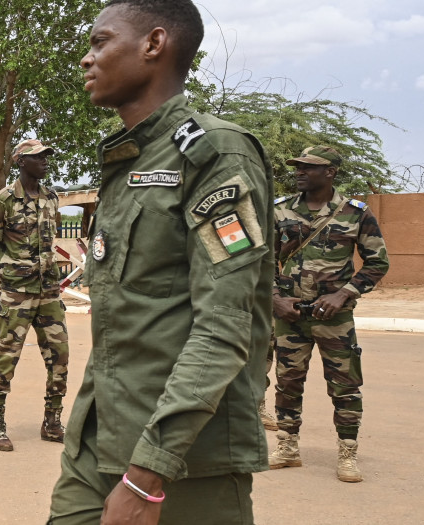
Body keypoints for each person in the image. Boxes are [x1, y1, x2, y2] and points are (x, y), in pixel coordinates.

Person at [47, 1, 272, 523]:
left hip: (183, 462)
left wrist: (147, 475)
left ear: (153, 44)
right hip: (100, 437)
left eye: (100, 42)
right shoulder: (130, 161)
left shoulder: (216, 154)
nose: (86, 58)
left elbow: (223, 328)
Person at [268, 145, 388, 483]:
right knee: (287, 383)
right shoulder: (279, 211)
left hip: (333, 317)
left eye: (309, 167)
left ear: (330, 173)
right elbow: (261, 261)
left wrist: (344, 293)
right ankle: (288, 446)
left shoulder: (355, 213)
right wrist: (275, 298)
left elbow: (377, 262)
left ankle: (348, 452)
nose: (299, 172)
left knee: (345, 386)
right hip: (290, 314)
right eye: (298, 167)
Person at [0, 138, 70, 451]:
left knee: (59, 357)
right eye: (38, 157)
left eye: (47, 156)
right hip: (17, 294)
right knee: (6, 357)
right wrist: (10, 275)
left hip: (49, 291)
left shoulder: (51, 197)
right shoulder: (2, 201)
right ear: (20, 162)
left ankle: (53, 422)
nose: (45, 161)